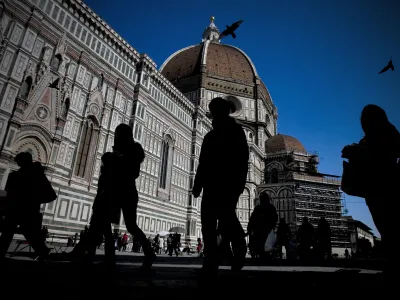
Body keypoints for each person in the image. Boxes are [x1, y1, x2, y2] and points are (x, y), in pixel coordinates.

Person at [71, 123, 155, 270]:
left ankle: (148, 251)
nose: (117, 137)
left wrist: (117, 160)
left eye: (119, 134)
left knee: (130, 226)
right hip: (115, 192)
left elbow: (134, 172)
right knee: (105, 224)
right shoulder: (118, 151)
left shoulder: (134, 149)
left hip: (127, 192)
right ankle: (108, 258)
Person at [192, 97, 249, 275]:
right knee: (208, 224)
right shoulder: (210, 136)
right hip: (210, 186)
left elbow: (242, 160)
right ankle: (211, 260)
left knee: (227, 220)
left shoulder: (236, 131)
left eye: (216, 110)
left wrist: (239, 185)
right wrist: (198, 184)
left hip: (228, 185)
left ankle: (239, 253)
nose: (214, 114)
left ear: (225, 111)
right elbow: (203, 162)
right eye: (212, 110)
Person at [0, 152, 51, 264]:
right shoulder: (35, 175)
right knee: (26, 233)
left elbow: (10, 194)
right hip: (26, 210)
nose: (18, 164)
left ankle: (43, 251)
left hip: (20, 210)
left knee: (12, 232)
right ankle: (43, 251)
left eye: (19, 162)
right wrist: (35, 201)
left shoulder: (20, 176)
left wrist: (34, 200)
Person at [247, 193, 278, 260]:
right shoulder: (271, 207)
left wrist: (249, 228)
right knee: (265, 243)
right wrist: (272, 227)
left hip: (258, 229)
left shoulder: (258, 208)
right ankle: (264, 255)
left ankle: (262, 254)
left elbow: (252, 219)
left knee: (260, 243)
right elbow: (275, 218)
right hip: (267, 229)